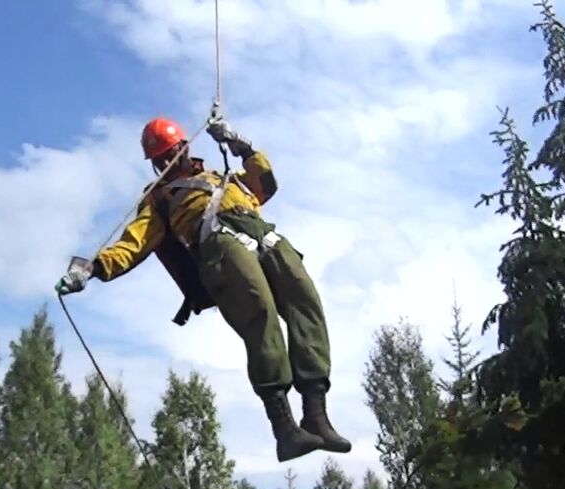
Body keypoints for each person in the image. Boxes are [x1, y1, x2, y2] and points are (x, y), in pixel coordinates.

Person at [56, 112, 350, 462]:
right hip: (219, 244)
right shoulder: (161, 198)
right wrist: (94, 268)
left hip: (264, 235)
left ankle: (316, 416)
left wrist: (240, 144)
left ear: (184, 147)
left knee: (306, 301)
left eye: (170, 152)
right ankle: (285, 429)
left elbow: (265, 184)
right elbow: (133, 243)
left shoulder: (224, 177)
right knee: (260, 313)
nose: (166, 161)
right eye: (159, 158)